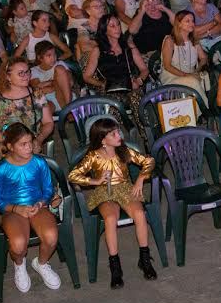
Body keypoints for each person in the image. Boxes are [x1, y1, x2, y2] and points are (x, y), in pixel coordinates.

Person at [66, 117, 158, 288]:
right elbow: (73, 175)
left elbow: (149, 161)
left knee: (139, 214)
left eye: (118, 131)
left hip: (124, 188)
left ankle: (145, 258)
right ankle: (115, 265)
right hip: (104, 192)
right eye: (114, 134)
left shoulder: (124, 151)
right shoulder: (93, 156)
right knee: (110, 219)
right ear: (103, 140)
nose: (119, 135)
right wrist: (96, 181)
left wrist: (140, 179)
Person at [0, 123, 63, 293]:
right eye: (23, 144)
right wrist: (15, 208)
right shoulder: (1, 170)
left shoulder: (39, 163)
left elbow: (48, 189)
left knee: (51, 237)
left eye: (30, 142)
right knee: (19, 244)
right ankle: (19, 264)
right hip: (13, 210)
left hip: (37, 206)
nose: (29, 147)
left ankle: (41, 263)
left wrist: (41, 202)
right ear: (10, 147)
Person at [0, 57, 56, 151]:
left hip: (32, 142)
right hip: (6, 144)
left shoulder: (37, 94)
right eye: (21, 73)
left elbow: (48, 122)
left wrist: (39, 139)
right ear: (8, 77)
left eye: (27, 71)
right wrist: (17, 143)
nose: (26, 76)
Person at [159, 10, 209, 95]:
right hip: (172, 76)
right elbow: (167, 66)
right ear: (179, 24)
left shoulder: (193, 40)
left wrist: (197, 70)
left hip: (190, 74)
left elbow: (203, 58)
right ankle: (204, 108)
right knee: (193, 82)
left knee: (206, 76)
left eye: (192, 21)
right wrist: (187, 75)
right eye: (187, 21)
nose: (192, 24)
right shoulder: (170, 40)